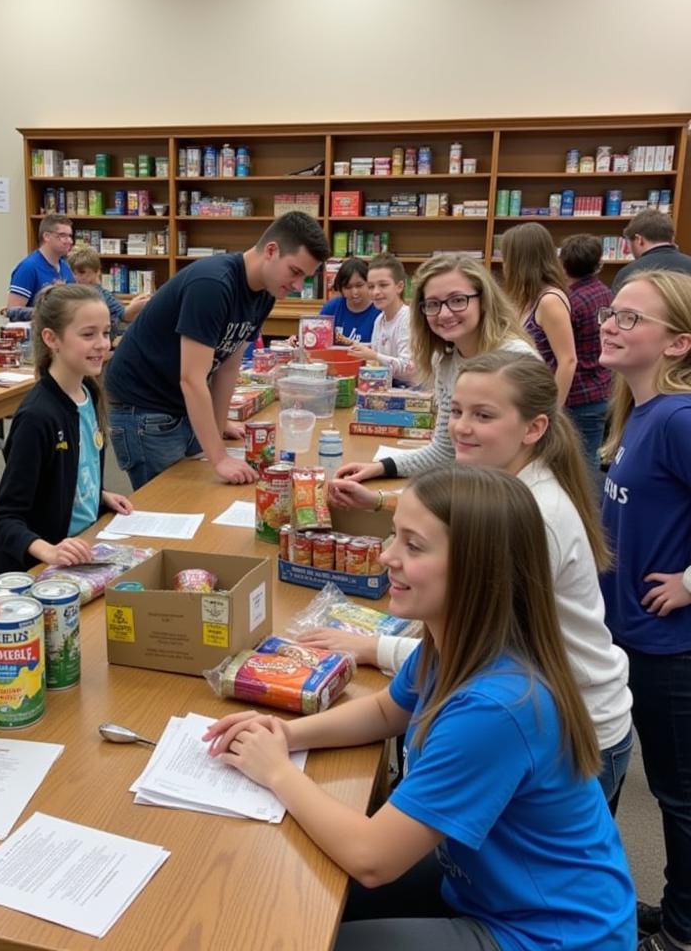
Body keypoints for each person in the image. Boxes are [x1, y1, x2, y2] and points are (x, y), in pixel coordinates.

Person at [204, 465, 635, 951]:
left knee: (310, 934)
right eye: (394, 537)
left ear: (478, 568)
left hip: (552, 936)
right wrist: (288, 735)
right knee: (294, 895)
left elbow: (373, 858)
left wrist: (279, 772)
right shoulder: (453, 642)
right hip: (492, 889)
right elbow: (388, 711)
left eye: (413, 546)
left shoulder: (498, 708)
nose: (387, 556)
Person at [326, 351, 633, 807]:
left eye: (483, 416)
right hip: (537, 708)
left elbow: (485, 646)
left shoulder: (534, 515)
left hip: (573, 730)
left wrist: (374, 648)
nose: (461, 427)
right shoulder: (502, 482)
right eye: (456, 411)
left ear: (534, 428)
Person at [597, 270, 691, 950]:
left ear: (678, 343)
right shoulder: (640, 411)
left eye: (633, 320)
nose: (612, 324)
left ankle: (685, 930)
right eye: (614, 312)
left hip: (671, 645)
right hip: (634, 633)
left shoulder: (680, 419)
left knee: (681, 794)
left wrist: (690, 580)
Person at [106, 212, 330, 489]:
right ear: (271, 250)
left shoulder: (265, 294)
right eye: (295, 272)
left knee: (203, 495)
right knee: (171, 502)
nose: (297, 286)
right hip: (144, 408)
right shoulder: (213, 284)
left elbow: (227, 366)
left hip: (179, 405)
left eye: (305, 278)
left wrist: (219, 423)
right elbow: (191, 378)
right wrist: (219, 457)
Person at [335, 254, 534, 485]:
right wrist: (380, 467)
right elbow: (443, 451)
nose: (445, 313)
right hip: (477, 487)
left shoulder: (516, 358)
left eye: (458, 300)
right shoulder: (446, 361)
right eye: (433, 304)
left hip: (517, 494)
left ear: (484, 300)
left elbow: (536, 453)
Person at [0, 284, 132, 574]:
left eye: (106, 332)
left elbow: (71, 469)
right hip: (37, 566)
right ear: (51, 338)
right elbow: (3, 519)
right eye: (88, 334)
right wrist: (49, 550)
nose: (103, 344)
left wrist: (98, 495)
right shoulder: (38, 416)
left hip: (79, 546)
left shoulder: (89, 392)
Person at [501, 222, 577, 405]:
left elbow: (568, 360)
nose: (503, 264)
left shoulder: (549, 300)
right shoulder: (525, 298)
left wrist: (554, 411)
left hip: (542, 402)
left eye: (506, 257)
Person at [559, 233, 614, 475]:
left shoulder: (569, 303)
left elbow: (562, 354)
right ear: (598, 263)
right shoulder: (606, 293)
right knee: (589, 457)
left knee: (571, 463)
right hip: (601, 386)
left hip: (574, 392)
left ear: (562, 264)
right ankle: (589, 509)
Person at [345, 253, 414, 384]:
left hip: (413, 395)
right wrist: (365, 352)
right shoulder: (379, 320)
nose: (375, 292)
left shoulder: (408, 319)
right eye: (371, 286)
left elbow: (408, 367)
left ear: (399, 286)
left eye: (383, 285)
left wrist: (373, 355)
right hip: (386, 391)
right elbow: (377, 362)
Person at [66, 244, 150, 340]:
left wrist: (135, 307)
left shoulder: (103, 294)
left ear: (97, 271)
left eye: (82, 272)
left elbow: (123, 314)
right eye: (73, 273)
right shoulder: (70, 291)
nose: (76, 277)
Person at [7, 213, 77, 310]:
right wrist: (45, 313)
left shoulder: (65, 267)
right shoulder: (28, 267)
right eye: (62, 236)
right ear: (47, 236)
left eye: (70, 236)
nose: (69, 241)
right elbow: (13, 310)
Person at [612, 210, 691, 294]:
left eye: (629, 242)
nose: (629, 250)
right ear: (672, 238)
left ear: (639, 239)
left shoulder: (629, 273)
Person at [319, 258, 380, 345]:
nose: (354, 292)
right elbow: (318, 339)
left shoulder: (380, 311)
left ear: (369, 284)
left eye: (359, 286)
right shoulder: (331, 308)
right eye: (348, 287)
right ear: (341, 288)